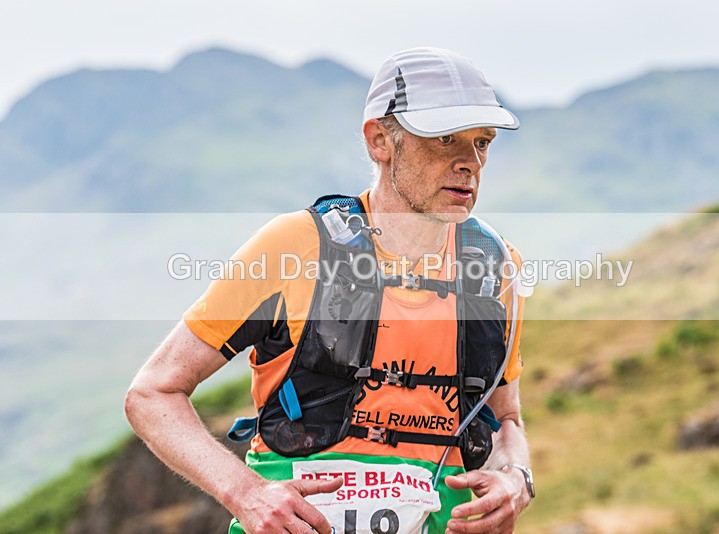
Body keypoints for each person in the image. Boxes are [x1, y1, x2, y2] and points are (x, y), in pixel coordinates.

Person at [125, 47, 533, 534]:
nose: (470, 163)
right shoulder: (294, 248)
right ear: (380, 140)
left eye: (483, 142)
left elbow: (507, 420)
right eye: (445, 138)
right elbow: (152, 393)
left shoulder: (495, 265)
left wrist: (516, 478)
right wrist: (247, 494)